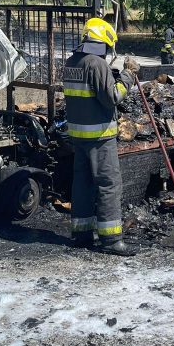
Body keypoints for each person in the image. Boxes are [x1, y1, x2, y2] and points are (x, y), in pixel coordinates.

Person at [62, 17, 137, 255]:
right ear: (102, 41)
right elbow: (113, 97)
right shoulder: (96, 64)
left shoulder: (72, 61)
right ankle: (112, 240)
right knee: (108, 185)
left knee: (82, 184)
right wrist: (128, 76)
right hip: (100, 136)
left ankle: (82, 234)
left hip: (78, 135)